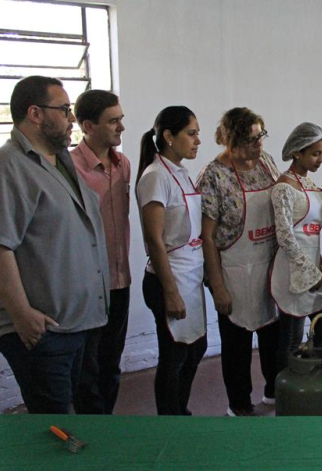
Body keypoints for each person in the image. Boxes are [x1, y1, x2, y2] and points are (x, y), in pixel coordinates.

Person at [0, 75, 109, 414]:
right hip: (41, 330)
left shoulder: (59, 160)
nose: (71, 118)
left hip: (75, 322)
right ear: (35, 113)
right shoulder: (5, 168)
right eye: (63, 110)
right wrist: (22, 315)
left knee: (69, 418)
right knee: (51, 424)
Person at [198, 107, 280, 417]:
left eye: (261, 136)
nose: (258, 145)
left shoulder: (266, 163)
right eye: (250, 140)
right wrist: (217, 286)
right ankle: (240, 404)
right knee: (237, 345)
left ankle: (274, 392)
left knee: (273, 336)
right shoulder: (213, 177)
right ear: (231, 140)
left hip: (268, 265)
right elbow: (207, 237)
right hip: (233, 270)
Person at [137, 106, 207, 416]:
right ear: (168, 136)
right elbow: (154, 240)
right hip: (170, 279)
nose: (197, 141)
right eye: (191, 134)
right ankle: (170, 418)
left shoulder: (181, 172)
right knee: (175, 354)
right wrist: (170, 291)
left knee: (196, 348)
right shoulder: (155, 177)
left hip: (189, 275)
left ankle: (180, 410)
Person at [70, 89, 132, 415]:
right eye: (113, 121)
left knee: (111, 363)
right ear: (88, 126)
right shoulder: (68, 167)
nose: (121, 127)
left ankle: (105, 425)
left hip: (120, 281)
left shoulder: (124, 165)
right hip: (87, 284)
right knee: (86, 369)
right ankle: (92, 431)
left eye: (120, 119)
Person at [271, 122, 322, 373]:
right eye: (315, 153)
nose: (320, 159)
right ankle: (281, 392)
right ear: (297, 152)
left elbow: (311, 234)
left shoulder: (308, 185)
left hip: (310, 269)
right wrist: (308, 270)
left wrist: (318, 263)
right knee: (290, 339)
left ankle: (304, 375)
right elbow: (285, 235)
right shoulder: (284, 187)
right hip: (290, 272)